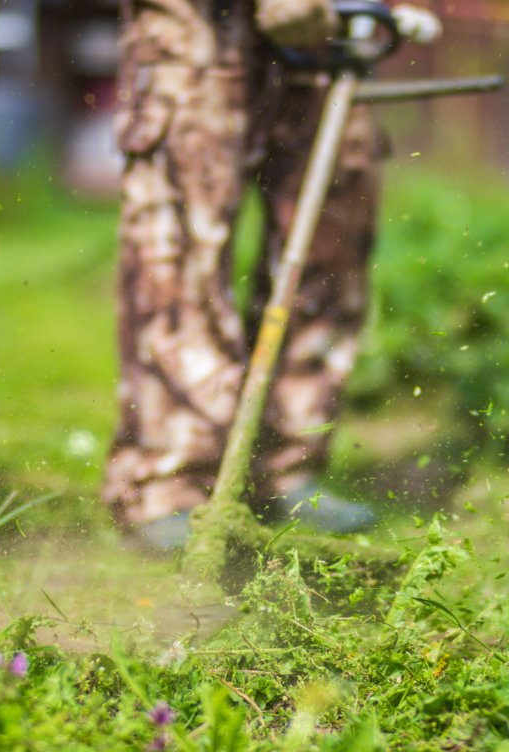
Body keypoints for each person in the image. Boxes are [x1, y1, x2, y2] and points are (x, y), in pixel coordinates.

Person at [104, 0, 440, 548]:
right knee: (181, 246)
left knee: (330, 238)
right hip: (199, 21)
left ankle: (285, 468)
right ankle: (169, 482)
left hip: (331, 20)